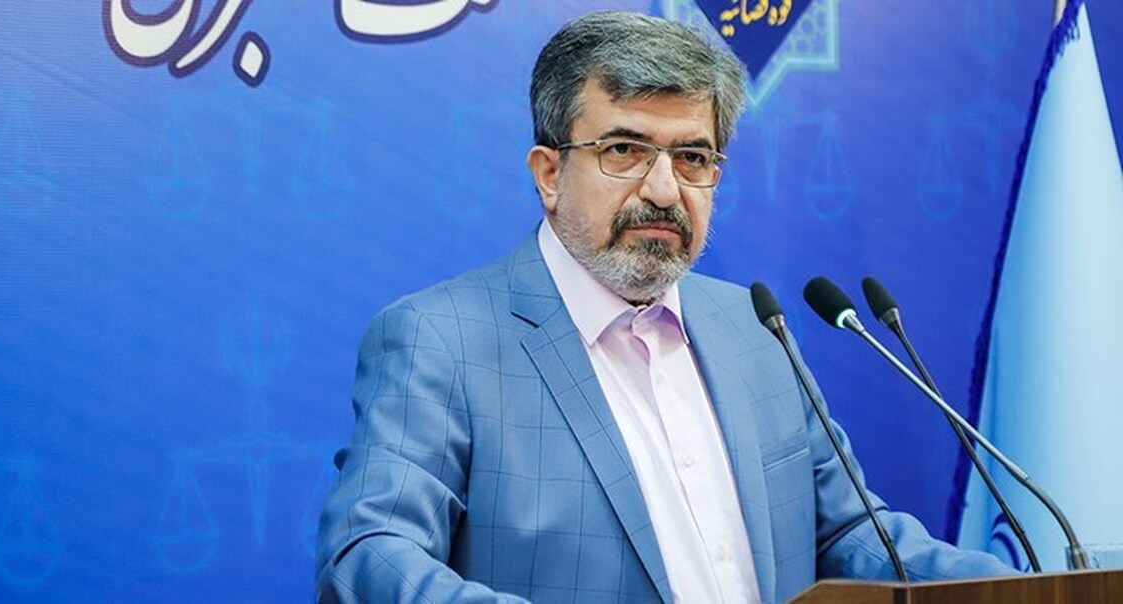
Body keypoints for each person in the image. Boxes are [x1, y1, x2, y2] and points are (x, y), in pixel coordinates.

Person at [316, 11, 1014, 603]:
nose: (663, 190)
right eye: (624, 149)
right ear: (550, 173)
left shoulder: (753, 328)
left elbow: (847, 533)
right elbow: (368, 552)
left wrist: (1023, 591)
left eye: (692, 158)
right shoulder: (442, 340)